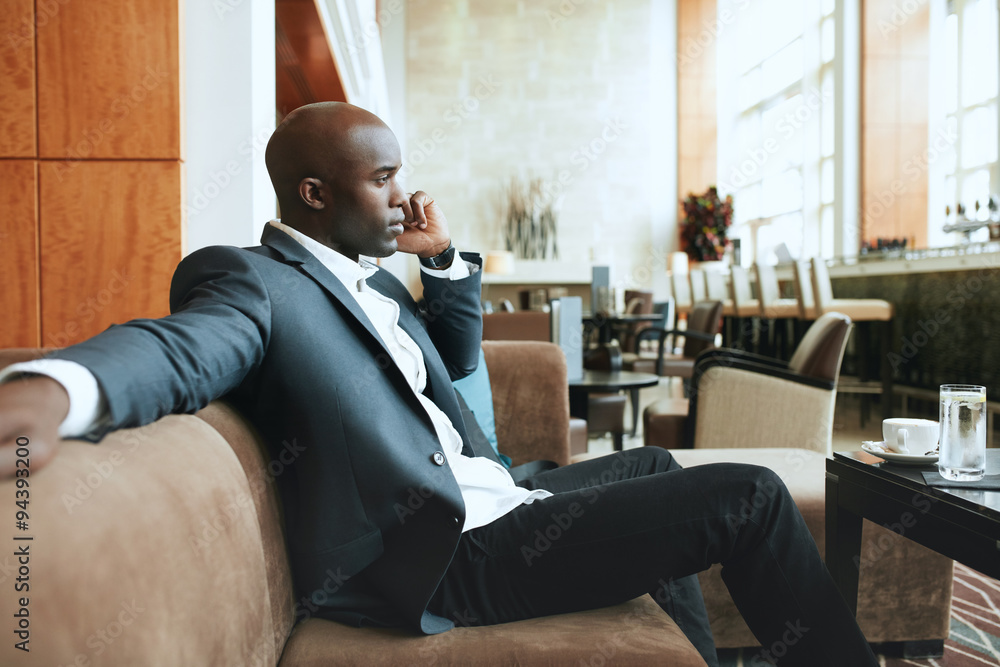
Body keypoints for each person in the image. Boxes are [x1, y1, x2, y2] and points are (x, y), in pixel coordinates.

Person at [0, 102, 876, 666]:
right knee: (753, 496)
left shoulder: (371, 279)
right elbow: (185, 349)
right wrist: (56, 387)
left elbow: (455, 353)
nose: (401, 196)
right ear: (312, 192)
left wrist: (442, 260)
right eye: (382, 181)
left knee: (649, 464)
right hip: (450, 555)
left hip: (503, 501)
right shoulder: (253, 280)